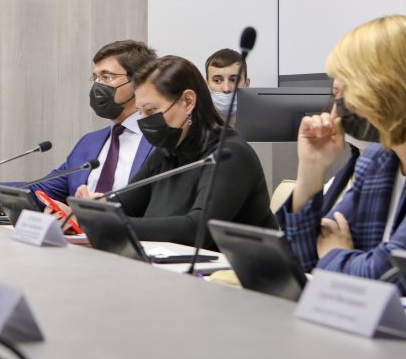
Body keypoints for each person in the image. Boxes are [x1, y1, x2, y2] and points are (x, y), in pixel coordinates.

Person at [278, 15, 406, 281]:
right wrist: (311, 169)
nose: (337, 110)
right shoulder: (378, 158)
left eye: (347, 91)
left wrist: (333, 254)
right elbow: (299, 259)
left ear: (392, 87)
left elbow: (390, 273)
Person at [84, 55, 276, 247]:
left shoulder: (229, 154)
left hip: (228, 266)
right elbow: (125, 206)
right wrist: (94, 209)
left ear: (187, 101)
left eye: (151, 111)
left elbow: (198, 230)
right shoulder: (167, 152)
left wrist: (114, 223)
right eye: (140, 111)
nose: (143, 120)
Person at [0, 40, 158, 204]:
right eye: (94, 78)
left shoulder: (160, 141)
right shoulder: (90, 143)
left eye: (107, 77)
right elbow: (43, 190)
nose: (97, 86)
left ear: (138, 82)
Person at [204, 47, 250, 121]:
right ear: (206, 85)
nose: (226, 89)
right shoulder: (195, 122)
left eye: (234, 80)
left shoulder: (262, 121)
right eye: (217, 80)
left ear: (246, 84)